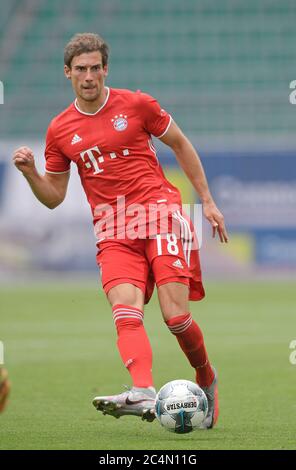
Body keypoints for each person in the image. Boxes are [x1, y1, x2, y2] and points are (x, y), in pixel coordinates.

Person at [13, 33, 228, 429]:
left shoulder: (137, 104)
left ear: (105, 69)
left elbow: (180, 144)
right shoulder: (60, 130)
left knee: (175, 317)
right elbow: (54, 197)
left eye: (96, 68)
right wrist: (31, 175)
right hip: (113, 229)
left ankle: (206, 376)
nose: (89, 76)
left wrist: (208, 201)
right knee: (125, 313)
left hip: (159, 212)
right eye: (81, 69)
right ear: (68, 73)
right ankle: (143, 390)